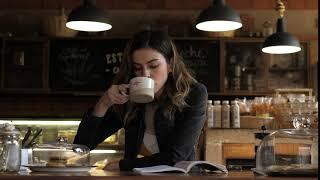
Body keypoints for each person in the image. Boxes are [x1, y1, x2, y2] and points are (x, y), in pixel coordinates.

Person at [73, 30, 208, 171]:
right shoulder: (129, 98)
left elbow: (175, 157)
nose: (145, 75)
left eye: (153, 66)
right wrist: (104, 103)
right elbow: (81, 147)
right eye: (137, 68)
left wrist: (122, 165)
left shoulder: (193, 94)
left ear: (170, 64)